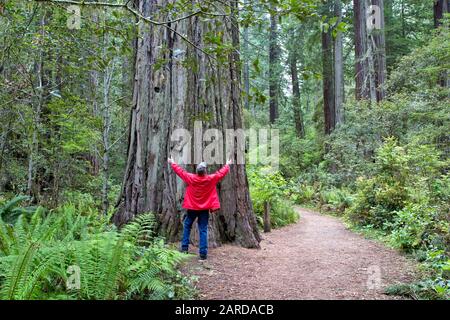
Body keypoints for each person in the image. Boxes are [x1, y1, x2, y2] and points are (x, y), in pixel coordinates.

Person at [168, 156, 232, 260]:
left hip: (192, 209)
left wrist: (172, 162)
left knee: (187, 226)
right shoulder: (210, 179)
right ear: (205, 171)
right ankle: (203, 254)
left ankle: (184, 249)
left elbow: (180, 172)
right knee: (203, 229)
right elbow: (220, 174)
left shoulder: (191, 178)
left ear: (197, 171)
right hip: (204, 210)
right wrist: (227, 164)